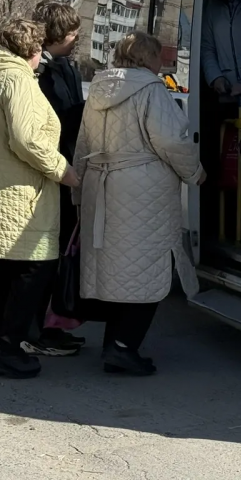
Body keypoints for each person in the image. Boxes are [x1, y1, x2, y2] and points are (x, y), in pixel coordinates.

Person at [74, 31, 205, 376]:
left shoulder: (99, 89)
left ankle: (113, 343)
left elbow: (83, 141)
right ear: (147, 58)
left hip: (100, 185)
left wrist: (78, 189)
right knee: (146, 270)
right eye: (159, 56)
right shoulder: (151, 89)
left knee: (115, 272)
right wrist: (196, 174)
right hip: (141, 187)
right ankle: (122, 347)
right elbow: (171, 140)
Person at [0, 19, 81, 378]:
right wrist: (64, 171)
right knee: (35, 268)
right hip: (17, 194)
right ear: (33, 50)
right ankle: (7, 346)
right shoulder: (17, 81)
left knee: (1, 269)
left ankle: (0, 342)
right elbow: (28, 140)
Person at [31, 0, 87, 355]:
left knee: (63, 247)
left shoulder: (66, 65)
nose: (77, 39)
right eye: (73, 34)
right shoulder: (38, 71)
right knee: (46, 253)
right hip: (51, 171)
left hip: (67, 166)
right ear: (59, 34)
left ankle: (55, 321)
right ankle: (39, 328)